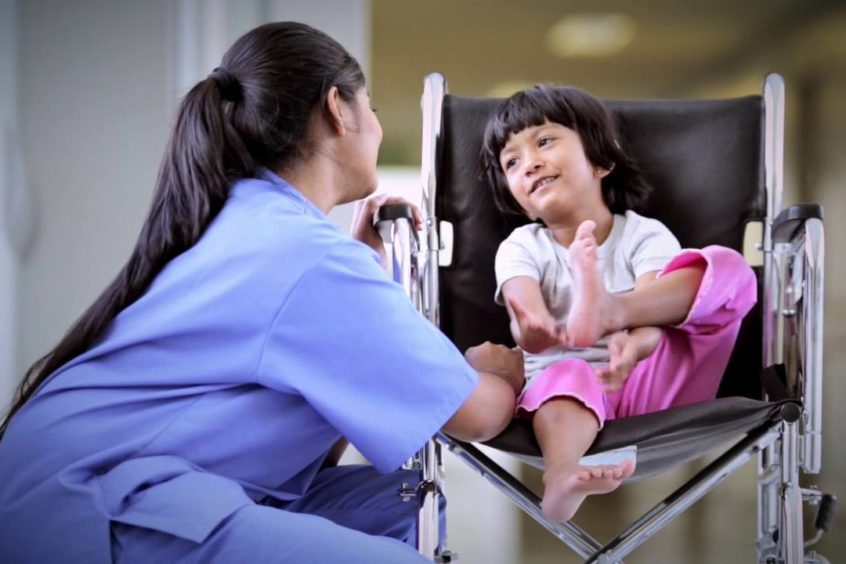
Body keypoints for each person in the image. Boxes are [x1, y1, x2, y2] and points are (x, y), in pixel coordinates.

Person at [0, 22, 523, 563]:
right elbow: (477, 414)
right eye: (369, 108)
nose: (377, 126)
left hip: (103, 480)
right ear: (337, 109)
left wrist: (364, 262)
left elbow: (314, 423)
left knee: (405, 506)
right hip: (90, 505)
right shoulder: (304, 253)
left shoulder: (255, 221)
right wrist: (507, 371)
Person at [479, 85, 757, 523]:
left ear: (601, 161)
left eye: (545, 141)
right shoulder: (521, 245)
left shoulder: (644, 234)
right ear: (519, 199)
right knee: (565, 374)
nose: (528, 162)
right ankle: (563, 474)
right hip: (566, 391)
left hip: (652, 380)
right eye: (511, 162)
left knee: (730, 271)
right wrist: (530, 329)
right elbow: (522, 309)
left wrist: (638, 343)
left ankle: (612, 310)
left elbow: (659, 314)